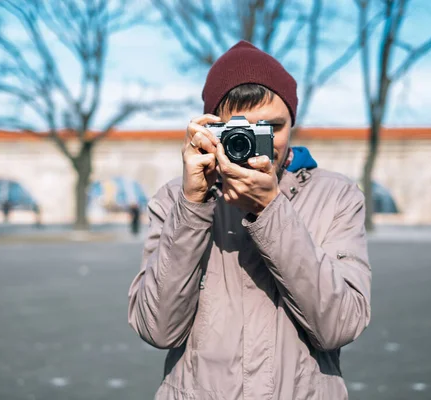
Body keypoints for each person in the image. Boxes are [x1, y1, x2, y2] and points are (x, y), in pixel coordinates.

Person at [128, 41, 371, 399]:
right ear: (210, 130)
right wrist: (193, 205)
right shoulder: (174, 200)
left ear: (293, 123)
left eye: (272, 127)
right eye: (238, 131)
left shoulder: (336, 196)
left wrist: (271, 211)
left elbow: (340, 325)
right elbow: (158, 329)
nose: (257, 143)